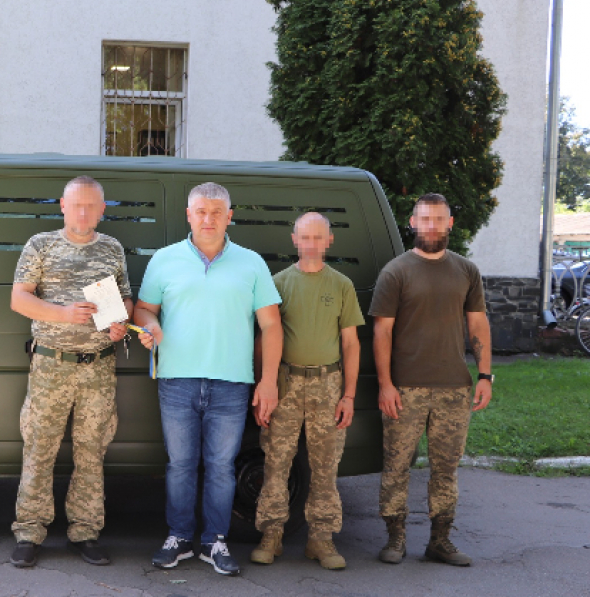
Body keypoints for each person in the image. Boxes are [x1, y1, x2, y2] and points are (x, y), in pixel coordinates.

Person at [134, 182, 283, 575]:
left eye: (217, 212)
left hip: (232, 383)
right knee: (180, 465)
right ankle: (180, 537)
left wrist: (268, 381)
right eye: (201, 211)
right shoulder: (164, 261)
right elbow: (144, 310)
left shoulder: (251, 263)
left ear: (229, 216)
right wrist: (151, 326)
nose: (208, 219)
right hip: (177, 380)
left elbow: (271, 325)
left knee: (221, 466)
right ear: (188, 215)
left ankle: (215, 541)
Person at [9, 176, 133, 568]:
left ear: (101, 209)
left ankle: (85, 531)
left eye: (91, 205)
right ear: (62, 205)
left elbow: (124, 298)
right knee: (39, 449)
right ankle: (29, 531)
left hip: (97, 368)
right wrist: (63, 314)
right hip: (51, 364)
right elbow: (19, 298)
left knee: (92, 452)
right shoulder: (41, 245)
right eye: (76, 205)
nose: (83, 212)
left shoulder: (112, 249)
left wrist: (120, 324)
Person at [370, 193, 493, 567]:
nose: (432, 225)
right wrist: (386, 384)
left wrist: (485, 373)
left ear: (450, 223)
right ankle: (395, 539)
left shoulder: (466, 271)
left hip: (454, 389)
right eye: (425, 219)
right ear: (413, 221)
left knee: (446, 469)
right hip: (405, 389)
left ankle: (440, 541)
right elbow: (382, 333)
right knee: (396, 466)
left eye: (439, 219)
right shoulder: (396, 271)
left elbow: (477, 324)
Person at [250, 213, 363, 570]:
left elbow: (350, 344)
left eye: (318, 237)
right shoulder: (278, 283)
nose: (311, 243)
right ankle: (272, 535)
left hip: (328, 384)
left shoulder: (342, 285)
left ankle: (322, 539)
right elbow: (263, 338)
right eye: (305, 237)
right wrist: (263, 385)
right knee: (276, 462)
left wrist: (348, 395)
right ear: (294, 239)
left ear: (329, 241)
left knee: (325, 465)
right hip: (285, 383)